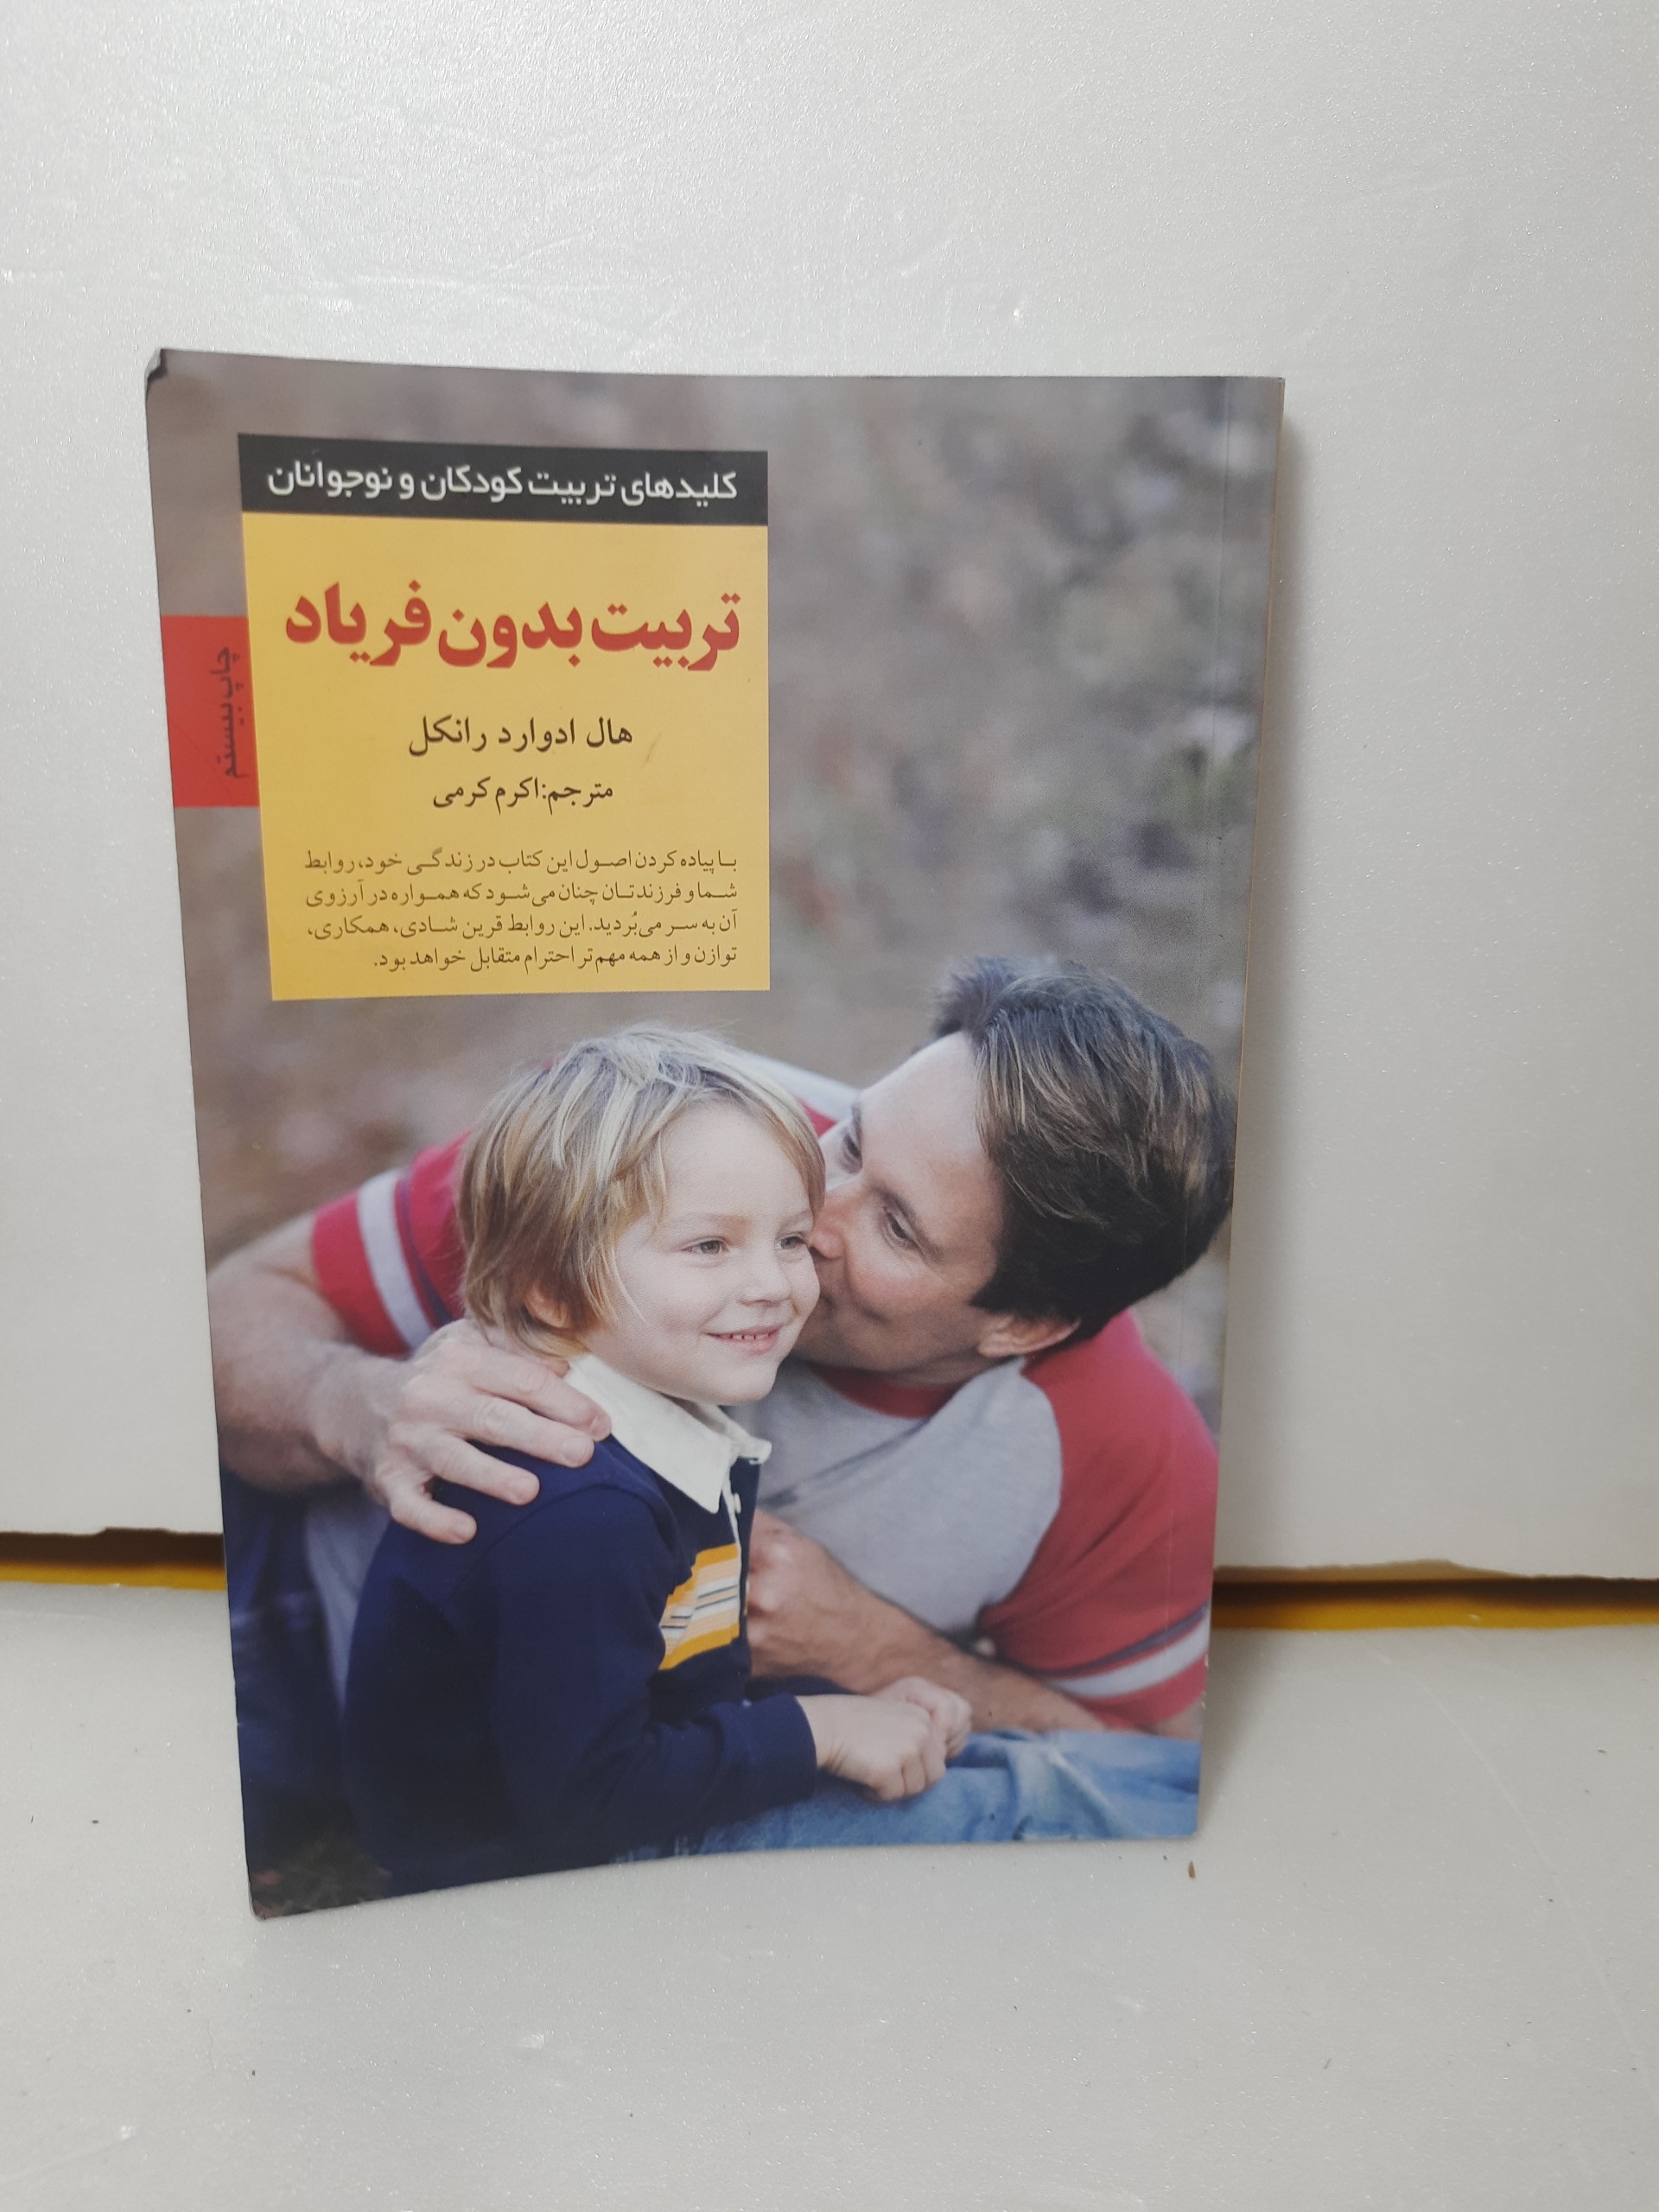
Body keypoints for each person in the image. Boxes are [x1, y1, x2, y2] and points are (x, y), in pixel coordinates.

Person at [210, 959, 1232, 1856]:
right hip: (267, 1618)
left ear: (1023, 1324)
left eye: (897, 1227)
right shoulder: (655, 1139)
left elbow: (1155, 1762)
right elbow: (226, 1314)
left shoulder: (1122, 1451)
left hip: (629, 1772)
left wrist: (873, 1648)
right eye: (853, 1139)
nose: (811, 1215)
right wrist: (355, 1404)